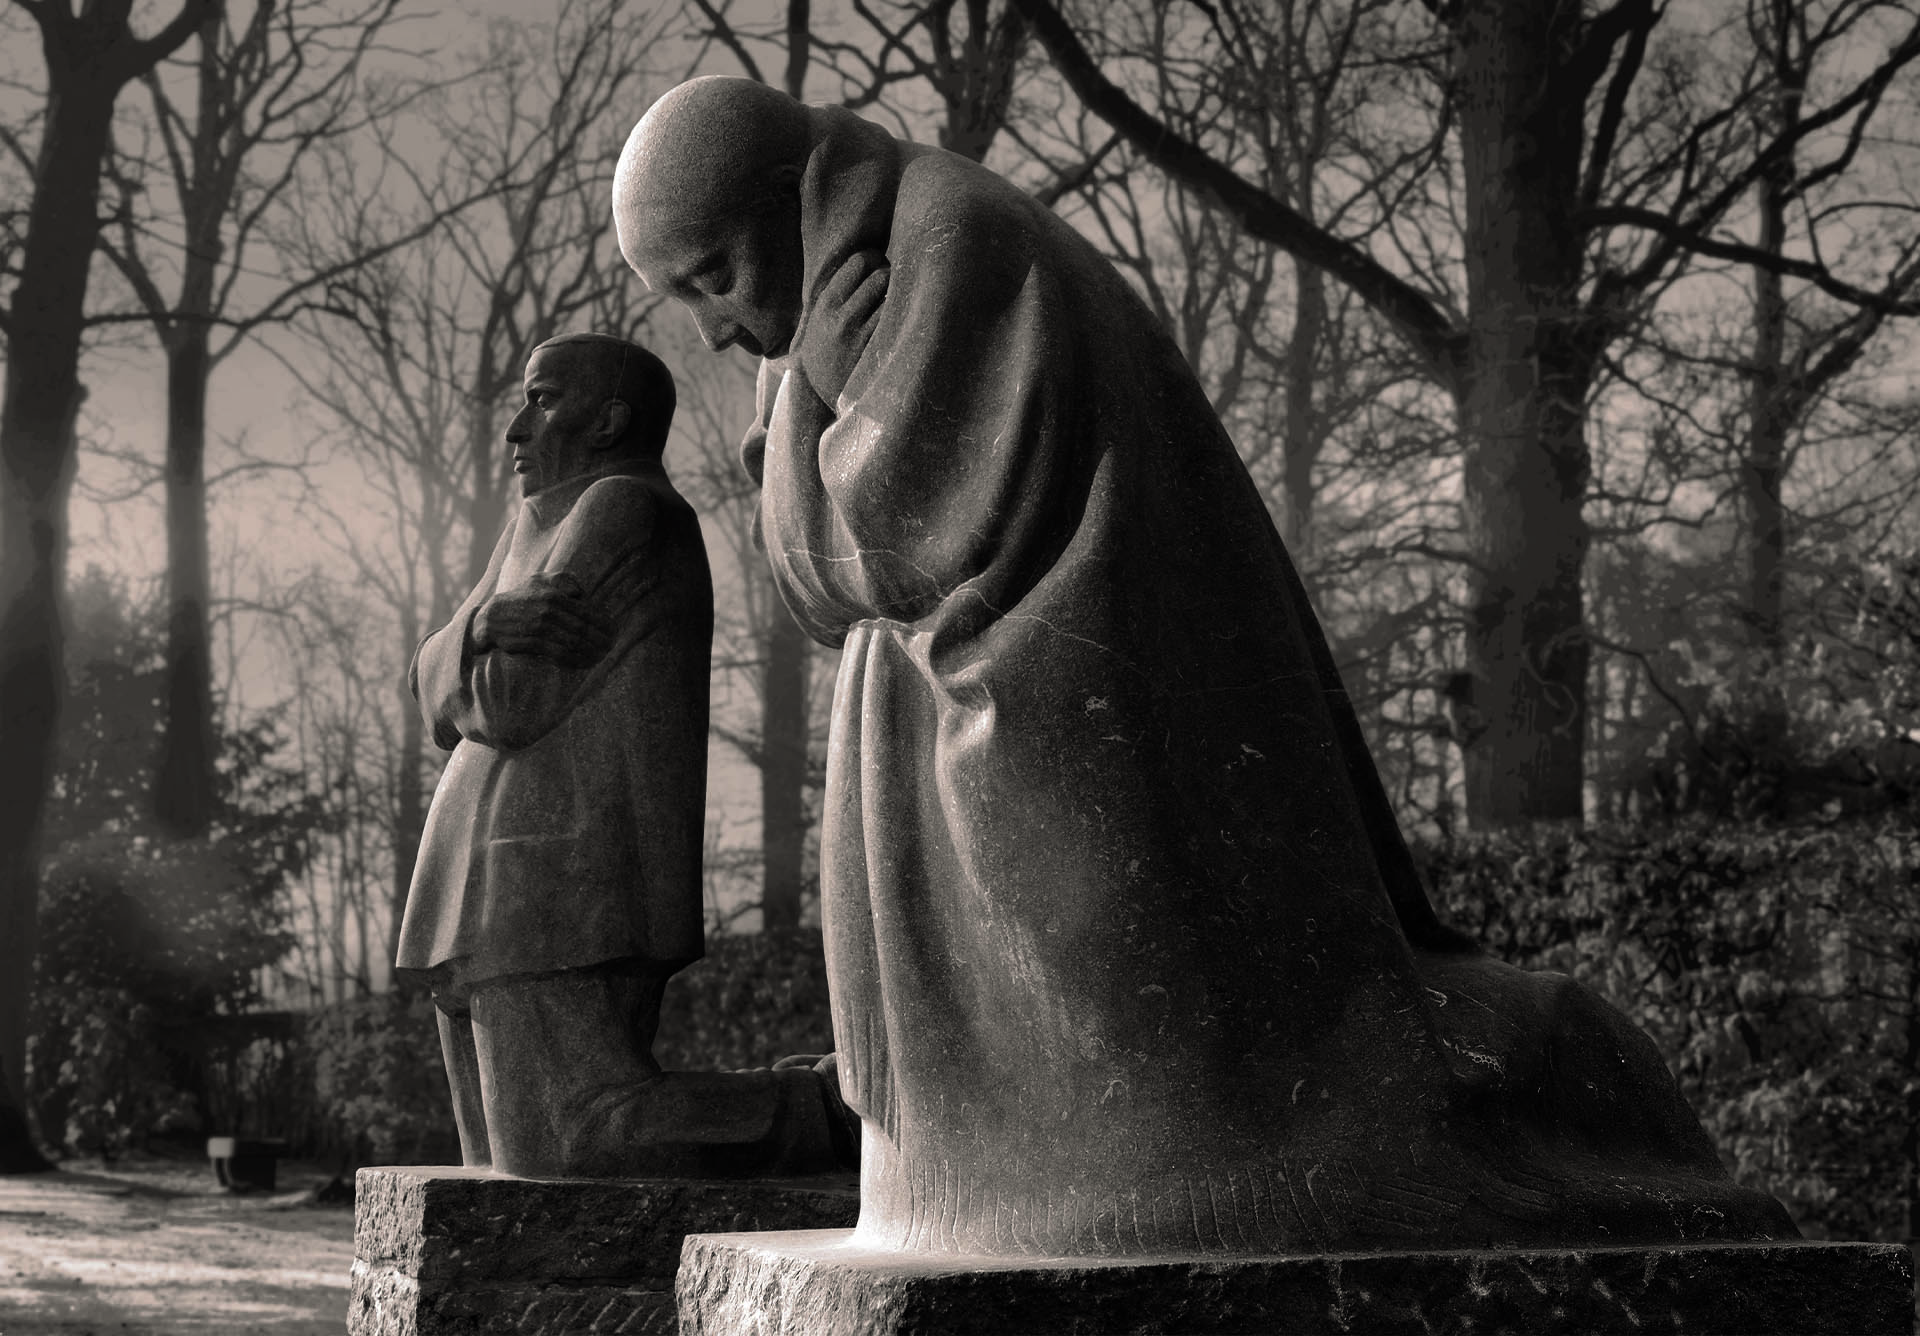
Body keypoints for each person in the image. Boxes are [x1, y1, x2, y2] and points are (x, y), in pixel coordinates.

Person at [613, 78, 1793, 1254]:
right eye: (684, 297)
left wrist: (816, 413)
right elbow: (813, 579)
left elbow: (884, 535)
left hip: (1065, 753)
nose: (714, 328)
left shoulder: (951, 238)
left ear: (794, 195)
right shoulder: (827, 310)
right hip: (965, 759)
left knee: (1183, 1146)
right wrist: (817, 393)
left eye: (714, 275)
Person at [398, 331, 851, 1179]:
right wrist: (483, 627)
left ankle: (830, 1113)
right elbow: (429, 684)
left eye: (542, 399)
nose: (516, 431)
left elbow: (507, 700)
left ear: (608, 419)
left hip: (557, 882)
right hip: (481, 885)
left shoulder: (623, 510)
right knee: (505, 1166)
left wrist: (459, 655)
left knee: (572, 1141)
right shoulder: (537, 524)